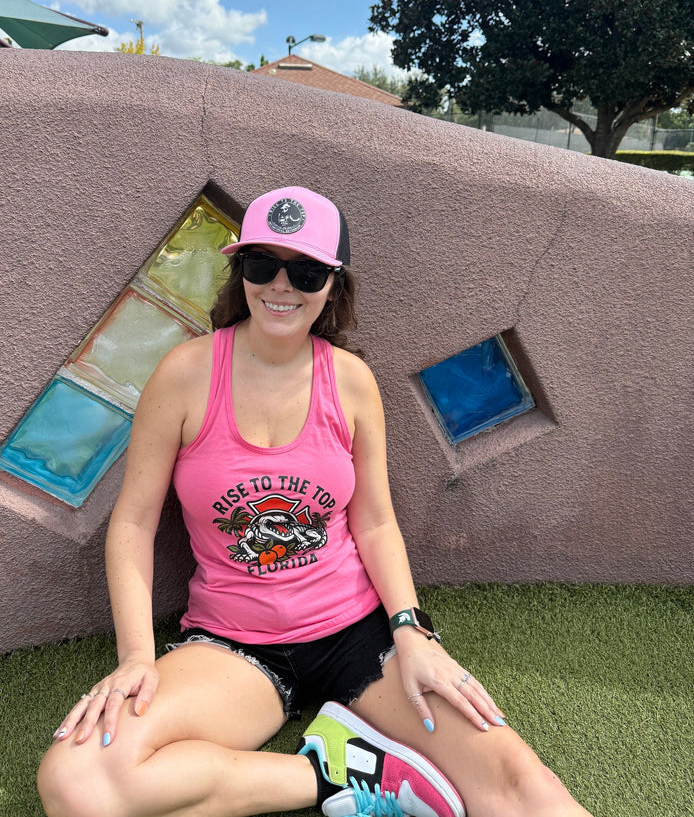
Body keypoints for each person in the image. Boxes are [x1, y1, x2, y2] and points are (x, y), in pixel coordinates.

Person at [38, 186, 593, 817]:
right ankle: (341, 774)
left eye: (305, 271)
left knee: (522, 786)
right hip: (234, 647)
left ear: (333, 285)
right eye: (261, 264)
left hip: (359, 633)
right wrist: (136, 657)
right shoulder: (186, 374)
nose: (281, 285)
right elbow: (134, 523)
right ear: (239, 271)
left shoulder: (351, 383)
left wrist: (411, 631)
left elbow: (377, 523)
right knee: (77, 782)